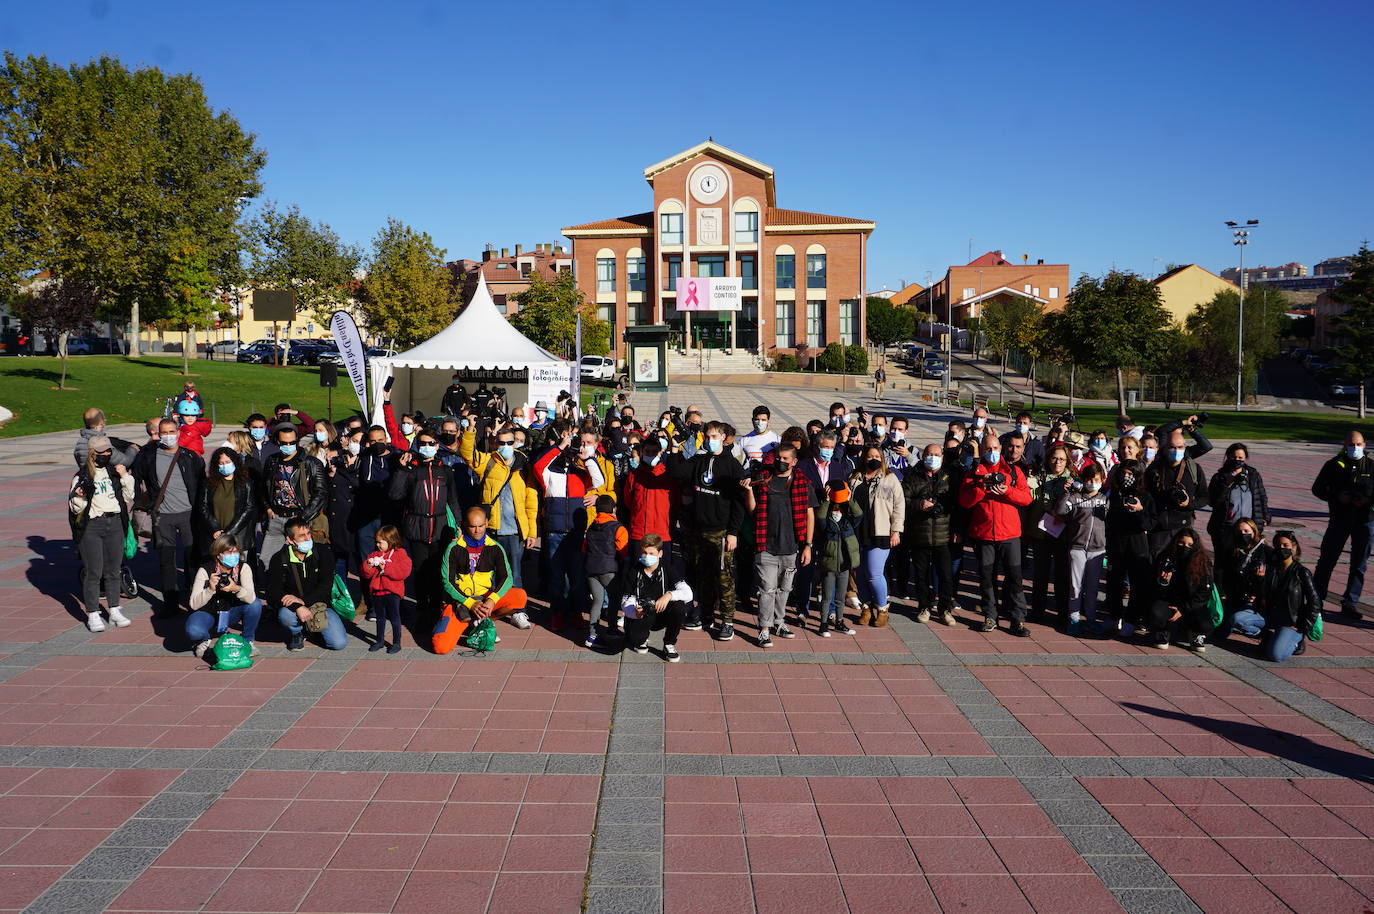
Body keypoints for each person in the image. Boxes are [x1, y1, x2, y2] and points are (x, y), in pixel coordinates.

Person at [668, 420, 746, 639]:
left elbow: (739, 503)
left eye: (714, 437)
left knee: (724, 578)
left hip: (721, 532)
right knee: (703, 576)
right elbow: (676, 473)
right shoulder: (699, 460)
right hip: (698, 530)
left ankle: (728, 621)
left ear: (723, 437)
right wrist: (674, 448)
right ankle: (706, 615)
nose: (710, 440)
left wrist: (733, 532)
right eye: (708, 437)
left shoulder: (732, 466)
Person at [534, 424, 616, 631]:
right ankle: (558, 612)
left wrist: (587, 457)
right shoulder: (549, 473)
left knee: (577, 577)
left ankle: (576, 610)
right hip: (554, 531)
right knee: (556, 577)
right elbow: (537, 466)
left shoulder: (582, 472)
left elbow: (599, 480)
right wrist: (561, 446)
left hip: (576, 531)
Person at [959, 432, 1033, 636]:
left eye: (995, 449)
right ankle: (990, 616)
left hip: (1009, 534)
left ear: (1001, 449)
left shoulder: (1014, 471)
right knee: (986, 578)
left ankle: (1017, 619)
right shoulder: (973, 472)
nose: (992, 452)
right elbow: (964, 501)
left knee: (1015, 578)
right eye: (988, 449)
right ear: (982, 450)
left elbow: (1026, 499)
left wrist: (1007, 490)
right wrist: (981, 487)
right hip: (983, 535)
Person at [388, 428, 464, 628]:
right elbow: (395, 495)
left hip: (440, 528)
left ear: (437, 446)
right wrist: (402, 470)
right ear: (417, 445)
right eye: (423, 443)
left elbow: (453, 500)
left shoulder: (445, 471)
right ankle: (422, 611)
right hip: (417, 527)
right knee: (421, 572)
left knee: (439, 571)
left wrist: (458, 524)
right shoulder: (411, 469)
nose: (427, 447)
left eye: (431, 444)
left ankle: (437, 609)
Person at [742, 443, 815, 647]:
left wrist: (808, 545)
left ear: (794, 461)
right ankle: (764, 629)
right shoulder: (763, 478)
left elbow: (810, 515)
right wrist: (749, 491)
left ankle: (779, 622)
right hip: (765, 544)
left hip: (791, 546)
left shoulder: (802, 482)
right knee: (767, 588)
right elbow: (753, 511)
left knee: (785, 588)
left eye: (785, 459)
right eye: (778, 458)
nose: (780, 462)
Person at [133, 418, 206, 612]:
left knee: (192, 558)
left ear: (178, 432)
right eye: (163, 432)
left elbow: (202, 483)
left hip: (188, 515)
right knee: (167, 560)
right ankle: (170, 601)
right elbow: (135, 476)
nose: (168, 436)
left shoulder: (190, 457)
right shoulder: (148, 456)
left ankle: (194, 596)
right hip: (163, 516)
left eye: (171, 432)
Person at [461, 422, 538, 591]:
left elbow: (531, 501)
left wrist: (532, 532)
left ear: (515, 443)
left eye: (509, 442)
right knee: (489, 572)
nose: (506, 446)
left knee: (514, 573)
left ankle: (517, 610)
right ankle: (491, 609)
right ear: (496, 443)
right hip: (491, 529)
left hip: (515, 531)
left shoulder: (523, 466)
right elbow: (467, 454)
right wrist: (471, 429)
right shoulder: (488, 461)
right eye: (501, 443)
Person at [69, 436, 134, 631]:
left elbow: (129, 497)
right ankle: (93, 613)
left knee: (114, 571)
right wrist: (80, 497)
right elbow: (75, 509)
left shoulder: (113, 473)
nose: (106, 454)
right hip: (92, 527)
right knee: (93, 572)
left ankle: (114, 610)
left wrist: (125, 477)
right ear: (92, 454)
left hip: (114, 523)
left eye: (108, 451)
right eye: (102, 452)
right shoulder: (82, 476)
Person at [1311, 431, 1373, 620]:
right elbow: (1318, 489)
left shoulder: (1371, 466)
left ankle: (1350, 603)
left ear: (1365, 445)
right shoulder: (1333, 465)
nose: (1355, 448)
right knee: (1327, 561)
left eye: (1359, 444)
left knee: (1359, 564)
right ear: (1344, 445)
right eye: (1351, 444)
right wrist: (1337, 496)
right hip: (1340, 518)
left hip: (1365, 520)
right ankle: (1316, 601)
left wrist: (1367, 500)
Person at [439, 506, 528, 637]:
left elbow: (507, 578)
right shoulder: (453, 548)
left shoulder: (495, 547)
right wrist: (470, 603)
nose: (477, 531)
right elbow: (447, 582)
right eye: (472, 526)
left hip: (484, 597)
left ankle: (483, 621)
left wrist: (492, 600)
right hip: (461, 601)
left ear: (486, 522)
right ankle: (471, 623)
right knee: (440, 645)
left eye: (481, 526)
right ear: (465, 525)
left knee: (520, 596)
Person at [267, 517, 344, 651]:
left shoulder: (323, 552)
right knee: (285, 615)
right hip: (293, 608)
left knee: (338, 643)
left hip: (320, 604)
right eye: (302, 536)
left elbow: (326, 585)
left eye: (308, 533)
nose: (308, 539)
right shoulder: (279, 558)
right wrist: (298, 606)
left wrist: (303, 601)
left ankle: (313, 630)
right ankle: (297, 633)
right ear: (290, 540)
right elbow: (274, 591)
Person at [850, 445, 904, 628]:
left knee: (874, 573)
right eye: (869, 455)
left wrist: (896, 530)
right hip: (857, 532)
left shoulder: (890, 479)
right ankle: (866, 608)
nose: (873, 458)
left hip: (880, 531)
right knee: (861, 574)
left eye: (876, 456)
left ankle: (882, 608)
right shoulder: (855, 478)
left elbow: (899, 505)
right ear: (863, 458)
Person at [903, 443, 957, 626]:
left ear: (942, 456)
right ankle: (924, 607)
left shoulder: (949, 476)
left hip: (943, 534)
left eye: (936, 454)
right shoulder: (912, 475)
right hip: (920, 533)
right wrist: (919, 505)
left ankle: (944, 609)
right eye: (928, 454)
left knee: (945, 575)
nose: (932, 457)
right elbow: (904, 499)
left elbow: (956, 503)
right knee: (921, 574)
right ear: (923, 455)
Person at [1053, 464, 1109, 636]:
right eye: (1089, 480)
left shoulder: (1105, 499)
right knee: (1075, 586)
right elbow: (1061, 510)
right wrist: (1067, 492)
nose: (1093, 483)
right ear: (1084, 481)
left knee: (1092, 588)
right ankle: (1074, 619)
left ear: (1102, 480)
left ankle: (1091, 619)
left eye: (1096, 480)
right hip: (1077, 547)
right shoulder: (1076, 498)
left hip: (1097, 549)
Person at [1101, 459, 1157, 633]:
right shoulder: (1115, 494)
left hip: (1137, 547)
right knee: (1113, 584)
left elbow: (1150, 524)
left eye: (1131, 474)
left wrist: (1140, 510)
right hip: (1117, 546)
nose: (1126, 477)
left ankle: (1131, 619)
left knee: (1136, 585)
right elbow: (1109, 520)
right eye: (1124, 473)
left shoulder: (1146, 497)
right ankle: (1114, 616)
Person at [259, 424, 328, 564]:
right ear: (277, 442)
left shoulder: (311, 463)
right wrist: (267, 507)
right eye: (284, 443)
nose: (288, 445)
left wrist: (303, 517)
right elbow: (263, 487)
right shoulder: (272, 461)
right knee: (267, 561)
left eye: (292, 442)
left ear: (298, 441)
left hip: (300, 519)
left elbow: (321, 492)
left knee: (303, 561)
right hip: (276, 519)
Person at [186, 535, 262, 659]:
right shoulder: (205, 570)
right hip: (209, 612)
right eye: (229, 552)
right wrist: (210, 589)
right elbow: (193, 604)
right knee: (193, 630)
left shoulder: (244, 568)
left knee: (255, 604)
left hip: (231, 612)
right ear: (218, 554)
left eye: (236, 551)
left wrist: (236, 589)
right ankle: (204, 640)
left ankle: (247, 641)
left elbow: (251, 598)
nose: (233, 555)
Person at [620, 534, 693, 661]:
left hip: (661, 613)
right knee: (635, 640)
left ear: (660, 554)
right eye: (644, 552)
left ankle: (669, 643)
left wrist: (669, 595)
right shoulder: (634, 571)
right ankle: (642, 639)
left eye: (651, 553)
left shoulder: (668, 569)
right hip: (642, 615)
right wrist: (634, 612)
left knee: (679, 607)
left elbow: (688, 593)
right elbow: (626, 600)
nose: (647, 556)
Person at [1143, 527, 1213, 651]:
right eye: (1181, 543)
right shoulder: (1165, 558)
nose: (1185, 547)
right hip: (1169, 601)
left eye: (1190, 545)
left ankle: (1195, 633)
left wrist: (1183, 609)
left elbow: (1205, 592)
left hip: (1191, 604)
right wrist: (1164, 581)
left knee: (1205, 624)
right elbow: (1153, 588)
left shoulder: (1203, 562)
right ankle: (1163, 631)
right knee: (1156, 614)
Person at [1144, 424, 1208, 557]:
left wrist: (1189, 503)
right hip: (1159, 529)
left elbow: (1205, 497)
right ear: (1165, 448)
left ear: (1185, 448)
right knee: (1156, 566)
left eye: (1180, 447)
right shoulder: (1154, 470)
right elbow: (1145, 497)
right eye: (1172, 447)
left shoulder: (1194, 469)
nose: (1176, 450)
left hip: (1184, 527)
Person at [1258, 530, 1322, 662]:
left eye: (1285, 545)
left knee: (1277, 656)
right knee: (1240, 620)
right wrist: (1260, 579)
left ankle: (1297, 639)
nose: (1282, 549)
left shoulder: (1302, 572)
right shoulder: (1271, 569)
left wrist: (1304, 625)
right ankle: (1273, 637)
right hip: (1271, 617)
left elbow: (1315, 602)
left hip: (1292, 622)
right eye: (1278, 546)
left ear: (1294, 547)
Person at [1028, 443, 1074, 624]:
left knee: (1062, 576)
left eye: (1062, 459)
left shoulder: (1072, 480)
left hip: (1063, 534)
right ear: (1048, 459)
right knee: (1040, 574)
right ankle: (1037, 610)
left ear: (1067, 461)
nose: (1058, 462)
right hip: (1042, 533)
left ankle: (1062, 612)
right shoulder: (1039, 477)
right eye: (1054, 458)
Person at [1207, 443, 1271, 560]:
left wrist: (1265, 516)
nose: (1237, 460)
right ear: (1227, 457)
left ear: (1245, 458)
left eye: (1240, 458)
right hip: (1226, 528)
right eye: (1233, 457)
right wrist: (1227, 484)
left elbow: (1261, 496)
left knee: (1248, 560)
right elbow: (1212, 501)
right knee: (1224, 562)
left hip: (1249, 527)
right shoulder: (1219, 477)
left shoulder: (1253, 475)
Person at [200, 448, 260, 567]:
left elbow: (249, 508)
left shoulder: (245, 482)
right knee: (218, 568)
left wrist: (229, 532)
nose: (224, 466)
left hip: (239, 535)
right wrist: (215, 528)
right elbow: (203, 507)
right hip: (216, 535)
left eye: (227, 462)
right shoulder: (209, 483)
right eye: (221, 463)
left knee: (241, 569)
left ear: (235, 462)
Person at [814, 481, 861, 636]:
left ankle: (840, 622)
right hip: (829, 564)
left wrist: (850, 499)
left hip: (844, 563)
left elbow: (859, 515)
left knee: (840, 597)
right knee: (827, 597)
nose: (837, 511)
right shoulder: (826, 517)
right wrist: (826, 501)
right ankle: (824, 624)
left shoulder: (848, 518)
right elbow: (820, 519)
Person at [1215, 517, 1271, 641]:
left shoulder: (1265, 552)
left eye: (1246, 531)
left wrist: (1257, 594)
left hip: (1254, 601)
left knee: (1238, 620)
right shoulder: (1233, 549)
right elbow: (1221, 572)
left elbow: (1270, 582)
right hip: (1233, 597)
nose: (1243, 534)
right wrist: (1222, 593)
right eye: (1239, 532)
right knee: (1219, 632)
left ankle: (1263, 633)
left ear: (1254, 531)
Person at [583, 494, 628, 647]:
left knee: (597, 601)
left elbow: (585, 549)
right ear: (613, 509)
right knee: (614, 599)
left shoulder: (591, 527)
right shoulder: (618, 527)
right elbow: (623, 551)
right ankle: (612, 629)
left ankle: (592, 636)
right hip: (609, 570)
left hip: (591, 569)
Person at [360, 525, 411, 653]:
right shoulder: (375, 554)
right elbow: (365, 573)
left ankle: (396, 642)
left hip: (392, 592)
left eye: (380, 542)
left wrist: (386, 569)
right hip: (377, 591)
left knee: (394, 617)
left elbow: (403, 572)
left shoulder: (400, 554)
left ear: (391, 541)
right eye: (376, 542)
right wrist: (369, 565)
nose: (377, 545)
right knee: (380, 618)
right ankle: (380, 640)